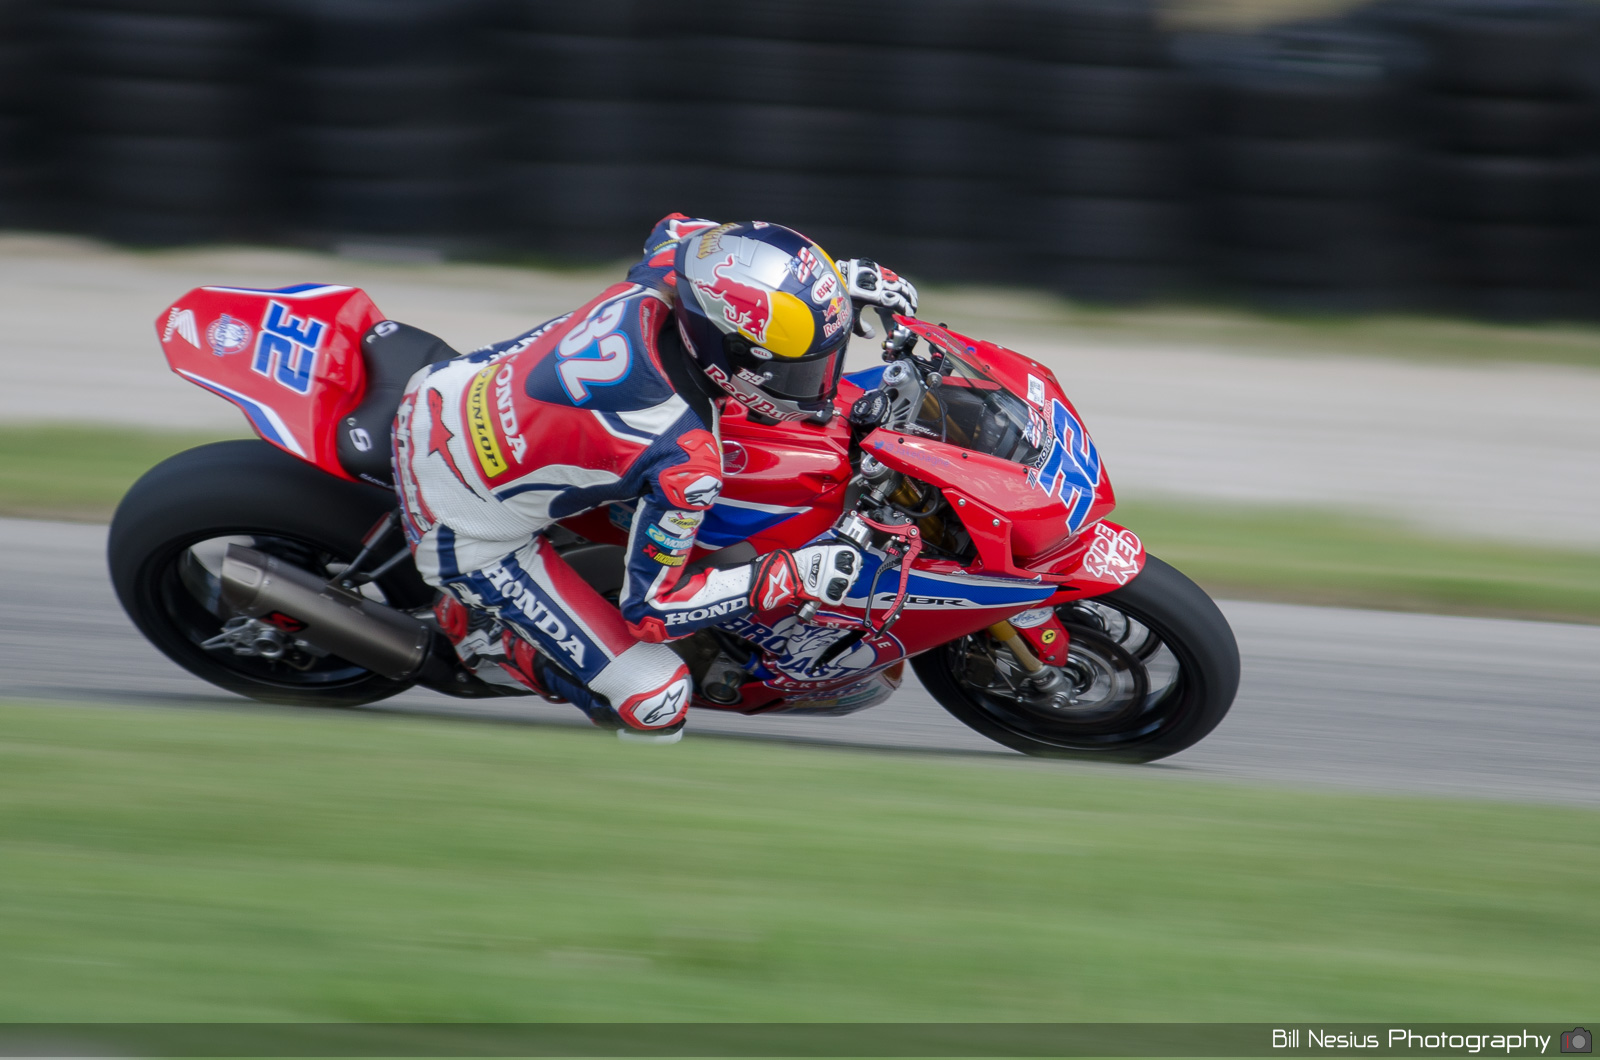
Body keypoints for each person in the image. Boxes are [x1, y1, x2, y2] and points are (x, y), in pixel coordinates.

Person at [391, 215, 920, 742]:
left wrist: (825, 283)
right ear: (727, 352)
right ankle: (493, 641)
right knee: (658, 697)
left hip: (446, 387)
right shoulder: (685, 456)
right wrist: (793, 576)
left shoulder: (667, 269)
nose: (815, 389)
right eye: (796, 371)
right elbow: (654, 611)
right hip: (463, 525)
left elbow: (692, 233)